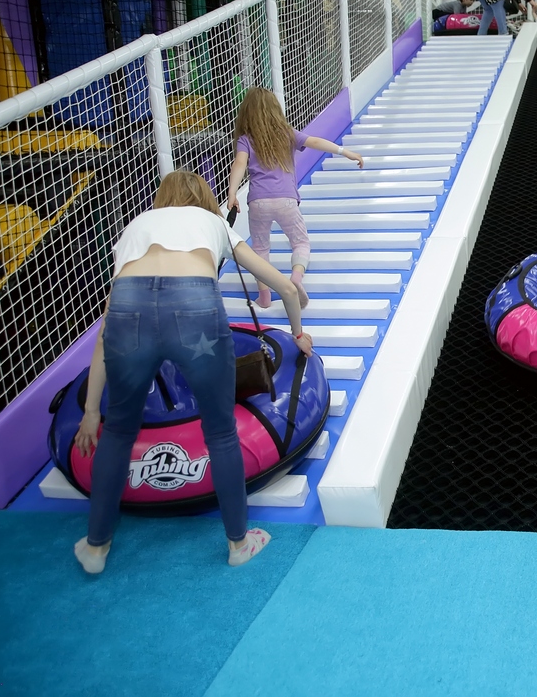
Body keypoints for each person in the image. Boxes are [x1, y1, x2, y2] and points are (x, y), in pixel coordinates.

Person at [72, 171, 316, 575]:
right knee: (219, 432)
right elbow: (286, 288)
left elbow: (105, 328)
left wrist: (92, 410)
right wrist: (298, 333)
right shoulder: (212, 221)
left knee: (117, 431)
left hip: (130, 311)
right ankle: (239, 543)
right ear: (202, 197)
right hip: (194, 305)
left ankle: (96, 547)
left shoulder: (136, 226)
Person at [226, 87, 364, 308]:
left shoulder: (246, 140)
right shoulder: (286, 133)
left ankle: (264, 296)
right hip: (286, 200)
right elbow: (315, 142)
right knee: (300, 242)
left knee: (260, 249)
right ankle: (296, 278)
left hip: (258, 201)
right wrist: (344, 152)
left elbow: (239, 163)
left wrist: (232, 193)